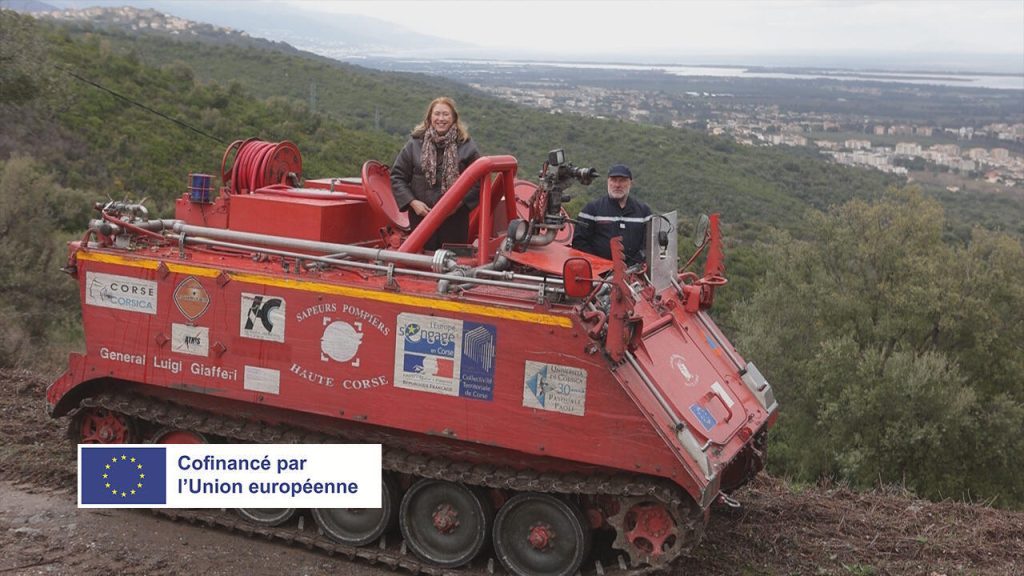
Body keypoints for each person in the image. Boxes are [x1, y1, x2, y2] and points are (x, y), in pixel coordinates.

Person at [391, 97, 481, 251]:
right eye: (437, 114)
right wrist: (413, 203)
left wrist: (457, 205)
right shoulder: (414, 144)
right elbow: (397, 177)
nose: (441, 118)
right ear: (430, 117)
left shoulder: (467, 146)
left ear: (453, 118)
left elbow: (479, 181)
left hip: (454, 220)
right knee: (421, 264)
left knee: (453, 263)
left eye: (446, 114)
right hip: (421, 219)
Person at [571, 164, 652, 266]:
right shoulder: (591, 210)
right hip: (598, 276)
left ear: (631, 183)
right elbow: (579, 242)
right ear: (608, 182)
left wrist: (635, 265)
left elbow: (649, 244)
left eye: (622, 180)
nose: (617, 185)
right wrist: (599, 265)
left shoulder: (644, 212)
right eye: (613, 180)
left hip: (635, 274)